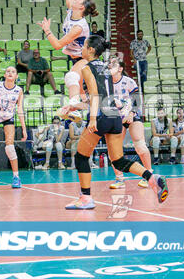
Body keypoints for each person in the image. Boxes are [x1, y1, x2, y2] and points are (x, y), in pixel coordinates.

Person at [59, 35, 168, 210]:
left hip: (101, 115)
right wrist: (73, 108)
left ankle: (86, 199)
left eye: (85, 47)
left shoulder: (87, 68)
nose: (82, 50)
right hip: (114, 117)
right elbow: (103, 95)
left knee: (81, 156)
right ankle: (151, 177)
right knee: (118, 160)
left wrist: (93, 118)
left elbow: (95, 94)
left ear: (92, 50)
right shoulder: (105, 68)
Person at [38, 0, 98, 123]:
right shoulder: (71, 9)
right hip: (75, 58)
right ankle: (78, 110)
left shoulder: (78, 27)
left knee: (72, 77)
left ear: (82, 7)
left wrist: (47, 30)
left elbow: (57, 45)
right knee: (84, 97)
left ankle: (76, 110)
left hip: (86, 58)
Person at [107, 58, 153, 189]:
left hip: (132, 115)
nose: (109, 65)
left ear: (120, 69)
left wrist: (131, 113)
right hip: (115, 118)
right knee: (114, 150)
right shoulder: (106, 83)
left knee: (140, 145)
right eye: (109, 64)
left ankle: (149, 174)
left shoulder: (128, 81)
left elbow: (138, 99)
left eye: (113, 64)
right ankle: (119, 179)